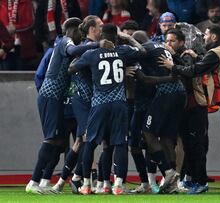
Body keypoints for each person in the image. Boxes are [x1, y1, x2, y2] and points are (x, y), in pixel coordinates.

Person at [159, 25, 220, 195]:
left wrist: (172, 65)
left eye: (205, 35)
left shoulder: (215, 53)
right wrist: (198, 56)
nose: (203, 38)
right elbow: (214, 65)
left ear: (213, 36)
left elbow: (194, 70)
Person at [25, 17, 101, 194]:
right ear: (73, 30)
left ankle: (44, 182)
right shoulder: (64, 41)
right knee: (51, 138)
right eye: (79, 31)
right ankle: (33, 181)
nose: (80, 35)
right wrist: (97, 45)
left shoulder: (62, 44)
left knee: (58, 141)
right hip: (50, 95)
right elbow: (74, 49)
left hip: (56, 98)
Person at [69, 24, 146, 195]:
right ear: (117, 37)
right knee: (120, 143)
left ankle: (87, 184)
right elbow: (142, 52)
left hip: (99, 104)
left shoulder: (91, 53)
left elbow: (72, 68)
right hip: (119, 103)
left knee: (91, 142)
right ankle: (118, 185)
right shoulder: (123, 51)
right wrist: (129, 38)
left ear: (101, 37)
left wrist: (91, 65)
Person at [51, 15, 104, 194]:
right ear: (92, 29)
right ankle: (89, 181)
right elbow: (72, 67)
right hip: (83, 98)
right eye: (100, 26)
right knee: (89, 138)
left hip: (93, 99)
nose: (102, 29)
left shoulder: (92, 47)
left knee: (81, 141)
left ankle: (67, 180)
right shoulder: (88, 47)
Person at [132, 30, 187, 194]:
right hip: (180, 93)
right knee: (167, 137)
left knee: (148, 133)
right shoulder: (160, 47)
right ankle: (173, 184)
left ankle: (169, 173)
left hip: (165, 93)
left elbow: (145, 79)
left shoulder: (144, 50)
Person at [165, 28, 209, 194]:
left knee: (196, 145)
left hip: (195, 106)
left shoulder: (186, 55)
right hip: (183, 107)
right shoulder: (174, 57)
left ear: (181, 42)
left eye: (172, 41)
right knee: (188, 146)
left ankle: (201, 181)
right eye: (167, 40)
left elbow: (188, 73)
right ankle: (191, 179)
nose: (169, 44)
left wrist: (173, 62)